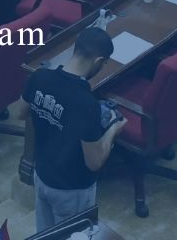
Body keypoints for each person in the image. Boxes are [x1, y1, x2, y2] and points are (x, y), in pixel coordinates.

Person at [25, 25, 127, 232]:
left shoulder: (39, 77)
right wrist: (113, 129)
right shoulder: (86, 104)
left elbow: (20, 112)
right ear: (99, 61)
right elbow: (94, 162)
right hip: (71, 189)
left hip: (42, 175)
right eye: (103, 64)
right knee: (72, 236)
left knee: (44, 234)